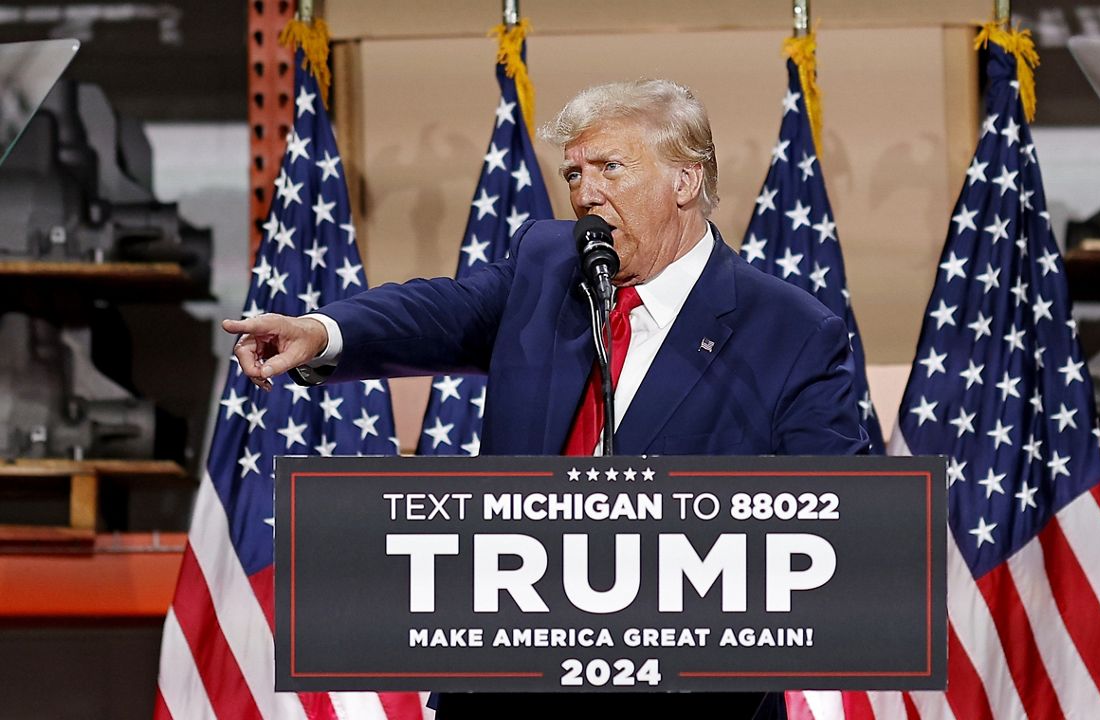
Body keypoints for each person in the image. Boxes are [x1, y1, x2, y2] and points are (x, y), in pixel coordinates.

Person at [224, 79, 868, 718]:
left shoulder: (790, 333)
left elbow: (835, 525)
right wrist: (323, 331)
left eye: (610, 168)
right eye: (574, 174)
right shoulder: (550, 266)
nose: (586, 194)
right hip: (506, 689)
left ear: (685, 181)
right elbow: (443, 311)